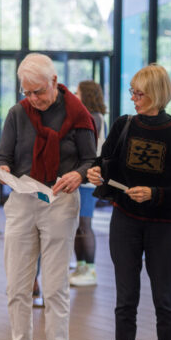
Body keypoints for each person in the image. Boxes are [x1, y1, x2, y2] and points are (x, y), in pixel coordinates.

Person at [87, 64, 171, 340]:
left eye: (139, 93)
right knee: (125, 299)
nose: (133, 98)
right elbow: (103, 162)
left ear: (157, 94)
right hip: (126, 221)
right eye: (132, 91)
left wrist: (155, 193)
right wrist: (94, 172)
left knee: (165, 301)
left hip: (164, 226)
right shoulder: (123, 125)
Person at [0, 53, 96, 340]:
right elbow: (3, 155)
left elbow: (90, 160)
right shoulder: (17, 114)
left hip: (60, 200)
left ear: (54, 81)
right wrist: (4, 169)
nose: (33, 99)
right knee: (17, 285)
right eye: (27, 92)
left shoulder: (78, 114)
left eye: (38, 91)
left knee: (54, 287)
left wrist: (78, 175)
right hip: (22, 199)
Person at [70, 80, 107, 287]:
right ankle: (81, 266)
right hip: (83, 181)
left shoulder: (93, 118)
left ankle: (90, 269)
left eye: (78, 92)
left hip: (87, 181)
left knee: (84, 225)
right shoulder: (95, 117)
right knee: (79, 226)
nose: (75, 96)